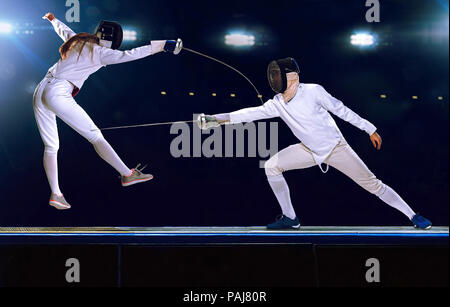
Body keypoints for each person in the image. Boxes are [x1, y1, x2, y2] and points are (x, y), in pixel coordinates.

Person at [198, 57, 432, 230]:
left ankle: (412, 215)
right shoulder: (277, 102)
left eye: (279, 75)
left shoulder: (313, 91)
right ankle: (290, 218)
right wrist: (216, 120)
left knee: (373, 185)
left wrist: (369, 128)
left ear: (293, 77)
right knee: (271, 166)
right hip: (308, 150)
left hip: (336, 149)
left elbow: (341, 110)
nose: (275, 79)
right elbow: (249, 113)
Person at [34, 13, 182, 210]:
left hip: (41, 90)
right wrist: (163, 45)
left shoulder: (78, 40)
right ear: (111, 40)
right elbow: (131, 54)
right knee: (95, 136)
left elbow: (65, 31)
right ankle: (127, 175)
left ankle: (56, 194)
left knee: (51, 147)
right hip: (58, 93)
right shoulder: (101, 52)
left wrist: (53, 20)